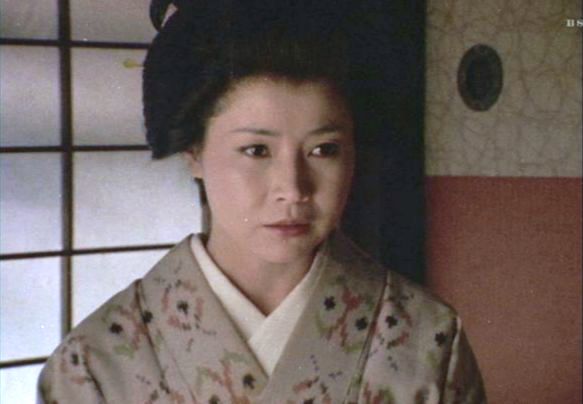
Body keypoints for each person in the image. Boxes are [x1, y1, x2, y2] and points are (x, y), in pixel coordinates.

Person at [38, 1, 486, 402]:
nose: (293, 188)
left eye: (324, 149)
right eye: (256, 150)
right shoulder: (93, 365)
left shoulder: (428, 341)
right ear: (194, 152)